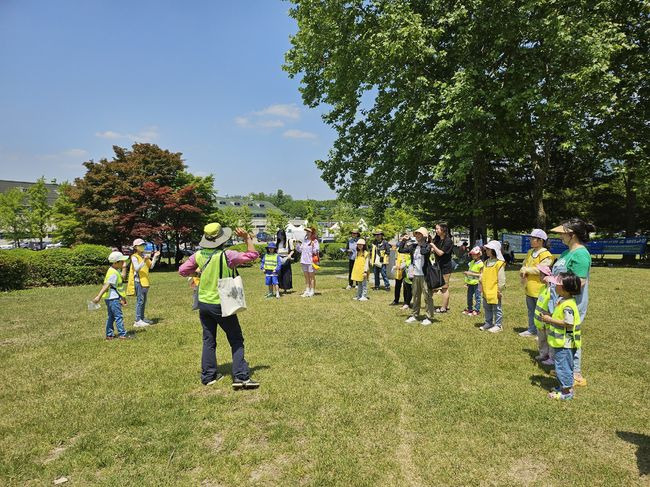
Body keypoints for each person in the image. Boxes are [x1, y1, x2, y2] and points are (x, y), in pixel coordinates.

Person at [178, 223, 260, 389]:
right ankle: (241, 377)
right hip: (222, 303)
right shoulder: (227, 255)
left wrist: (197, 273)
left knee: (209, 340)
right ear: (222, 238)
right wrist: (247, 239)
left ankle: (208, 376)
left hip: (204, 304)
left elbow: (182, 270)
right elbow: (252, 255)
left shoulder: (198, 255)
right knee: (236, 339)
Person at [546, 218, 595, 387]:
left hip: (571, 302)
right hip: (560, 300)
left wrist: (559, 287)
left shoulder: (580, 254)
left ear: (572, 235)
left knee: (570, 336)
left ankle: (575, 373)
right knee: (562, 335)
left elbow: (580, 281)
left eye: (562, 233)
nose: (560, 236)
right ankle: (565, 368)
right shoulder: (567, 252)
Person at [540, 272, 582, 400]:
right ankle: (563, 386)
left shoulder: (568, 305)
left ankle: (566, 392)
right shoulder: (562, 299)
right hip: (561, 341)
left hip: (565, 342)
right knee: (561, 365)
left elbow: (568, 323)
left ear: (564, 288)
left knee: (563, 366)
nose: (554, 286)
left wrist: (549, 320)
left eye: (556, 284)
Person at [519, 229, 554, 337]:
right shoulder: (530, 252)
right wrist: (522, 269)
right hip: (529, 286)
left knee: (541, 311)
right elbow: (524, 264)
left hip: (540, 288)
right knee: (531, 310)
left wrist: (526, 270)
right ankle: (532, 329)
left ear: (540, 240)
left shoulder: (546, 254)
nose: (530, 240)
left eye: (532, 238)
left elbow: (542, 269)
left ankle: (542, 332)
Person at [92, 251, 131, 340]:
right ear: (116, 262)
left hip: (110, 298)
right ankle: (122, 334)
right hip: (113, 298)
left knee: (111, 316)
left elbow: (123, 277)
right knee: (118, 316)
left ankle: (109, 334)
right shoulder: (113, 273)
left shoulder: (114, 270)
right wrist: (98, 296)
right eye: (122, 261)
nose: (124, 263)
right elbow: (107, 285)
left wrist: (124, 267)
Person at [126, 238, 161, 328]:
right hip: (138, 281)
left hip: (145, 282)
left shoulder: (144, 255)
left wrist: (155, 257)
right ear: (135, 247)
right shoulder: (134, 256)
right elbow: (137, 268)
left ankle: (142, 318)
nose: (143, 246)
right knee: (140, 301)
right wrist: (144, 260)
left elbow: (151, 266)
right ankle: (137, 320)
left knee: (143, 301)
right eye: (140, 245)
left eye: (143, 245)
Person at [405, 227, 434, 325]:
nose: (417, 236)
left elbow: (424, 252)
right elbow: (401, 250)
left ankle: (428, 317)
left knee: (427, 296)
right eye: (416, 234)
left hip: (424, 274)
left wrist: (422, 244)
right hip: (415, 274)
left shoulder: (427, 246)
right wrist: (403, 240)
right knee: (416, 296)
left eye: (419, 234)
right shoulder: (413, 246)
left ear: (424, 235)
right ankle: (414, 315)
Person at [479, 240, 506, 333]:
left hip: (495, 290)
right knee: (487, 307)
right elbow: (483, 274)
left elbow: (501, 279)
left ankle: (498, 325)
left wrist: (499, 290)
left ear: (494, 250)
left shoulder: (499, 263)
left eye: (488, 249)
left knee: (496, 308)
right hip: (486, 290)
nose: (486, 251)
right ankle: (488, 322)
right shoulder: (486, 262)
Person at [430, 222, 454, 313]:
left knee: (444, 288)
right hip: (437, 267)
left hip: (445, 267)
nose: (436, 231)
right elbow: (434, 251)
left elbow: (440, 253)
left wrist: (433, 246)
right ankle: (444, 305)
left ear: (443, 230)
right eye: (435, 229)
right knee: (435, 287)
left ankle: (444, 308)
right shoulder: (437, 239)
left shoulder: (448, 241)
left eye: (437, 229)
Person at [532, 265, 553, 362]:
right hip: (540, 321)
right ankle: (543, 354)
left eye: (541, 275)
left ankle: (551, 357)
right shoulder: (542, 288)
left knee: (550, 340)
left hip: (547, 321)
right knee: (542, 339)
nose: (539, 277)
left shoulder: (551, 290)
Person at [391, 233, 412, 308]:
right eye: (403, 237)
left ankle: (406, 301)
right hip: (399, 265)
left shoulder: (411, 243)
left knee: (406, 285)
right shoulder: (400, 244)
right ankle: (396, 300)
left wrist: (407, 240)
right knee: (397, 284)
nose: (405, 238)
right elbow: (399, 249)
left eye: (406, 237)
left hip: (407, 266)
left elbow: (408, 250)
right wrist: (403, 240)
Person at [297, 226, 319, 297]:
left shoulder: (315, 241)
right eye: (307, 231)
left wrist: (313, 247)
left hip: (311, 261)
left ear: (312, 232)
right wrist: (297, 246)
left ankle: (312, 290)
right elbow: (300, 250)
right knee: (306, 276)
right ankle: (307, 290)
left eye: (309, 231)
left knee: (311, 277)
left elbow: (316, 251)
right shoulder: (305, 240)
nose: (307, 233)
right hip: (304, 260)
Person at [462, 246, 484, 316]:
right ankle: (470, 309)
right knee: (469, 296)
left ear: (479, 254)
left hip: (477, 283)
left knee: (477, 297)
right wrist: (467, 277)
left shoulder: (481, 264)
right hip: (470, 283)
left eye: (474, 254)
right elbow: (470, 271)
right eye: (472, 254)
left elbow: (481, 274)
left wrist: (470, 273)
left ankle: (477, 310)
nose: (473, 255)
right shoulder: (471, 262)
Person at [276, 229, 295, 294]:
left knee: (286, 274)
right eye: (278, 236)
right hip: (278, 259)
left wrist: (289, 256)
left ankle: (285, 288)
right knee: (278, 274)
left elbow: (292, 250)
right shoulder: (277, 243)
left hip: (286, 258)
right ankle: (278, 288)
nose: (280, 237)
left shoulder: (288, 241)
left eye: (281, 235)